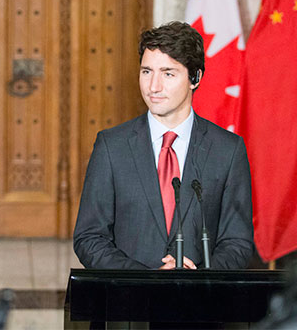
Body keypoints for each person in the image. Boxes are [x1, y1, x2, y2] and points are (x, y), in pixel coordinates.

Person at [73, 21, 254, 270]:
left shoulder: (228, 150)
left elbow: (238, 242)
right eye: (147, 71)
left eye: (168, 73)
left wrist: (201, 277)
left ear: (195, 77)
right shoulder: (111, 146)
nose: (153, 86)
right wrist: (147, 281)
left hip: (201, 303)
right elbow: (89, 238)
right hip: (131, 301)